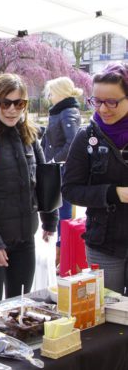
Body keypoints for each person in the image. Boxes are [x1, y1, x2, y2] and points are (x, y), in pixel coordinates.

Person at [0, 74, 58, 306]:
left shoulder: (29, 135)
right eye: (6, 103)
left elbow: (43, 180)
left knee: (21, 305)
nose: (12, 110)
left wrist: (49, 220)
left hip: (24, 237)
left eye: (19, 103)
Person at [62, 63, 128, 294]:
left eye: (112, 102)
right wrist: (113, 193)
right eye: (96, 101)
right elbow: (70, 189)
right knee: (108, 316)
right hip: (104, 242)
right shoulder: (86, 137)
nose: (103, 109)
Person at [43, 77, 83, 267]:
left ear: (60, 92)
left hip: (62, 169)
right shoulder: (61, 111)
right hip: (57, 168)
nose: (49, 97)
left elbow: (72, 143)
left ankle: (65, 255)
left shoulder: (67, 112)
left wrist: (53, 159)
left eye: (51, 92)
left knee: (64, 213)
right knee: (61, 211)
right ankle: (63, 255)